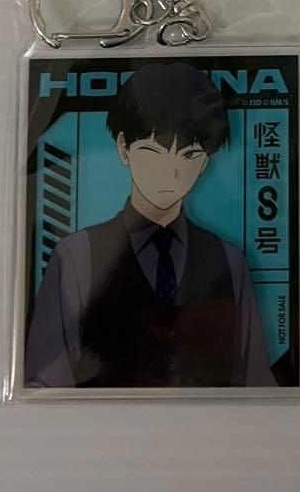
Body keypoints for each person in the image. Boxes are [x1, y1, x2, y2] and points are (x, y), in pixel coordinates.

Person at [24, 63, 275, 389]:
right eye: (153, 152)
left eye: (189, 155)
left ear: (206, 160)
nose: (171, 172)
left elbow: (257, 382)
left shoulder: (229, 260)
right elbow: (42, 384)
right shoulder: (77, 255)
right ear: (123, 148)